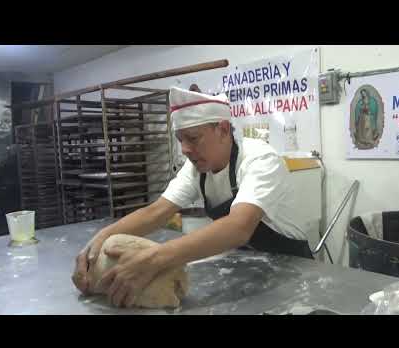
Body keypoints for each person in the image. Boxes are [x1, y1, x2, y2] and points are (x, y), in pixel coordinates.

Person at [72, 86, 313, 308]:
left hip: (294, 271)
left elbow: (239, 227)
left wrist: (154, 258)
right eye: (180, 140)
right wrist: (98, 242)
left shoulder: (260, 160)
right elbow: (155, 212)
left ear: (223, 129)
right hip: (249, 266)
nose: (185, 149)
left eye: (193, 138)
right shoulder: (197, 169)